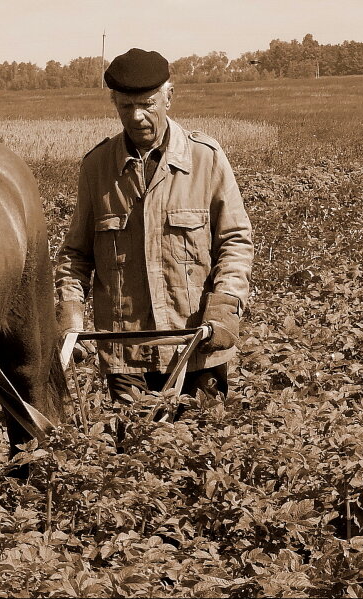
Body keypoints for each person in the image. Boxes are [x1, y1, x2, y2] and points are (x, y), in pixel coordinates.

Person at [54, 48, 253, 422]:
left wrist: (225, 308)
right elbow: (75, 256)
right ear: (114, 103)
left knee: (198, 453)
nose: (137, 116)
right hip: (126, 351)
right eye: (125, 106)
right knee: (135, 461)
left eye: (147, 104)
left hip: (196, 344)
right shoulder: (97, 167)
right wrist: (70, 318)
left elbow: (236, 241)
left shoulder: (205, 158)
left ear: (169, 96)